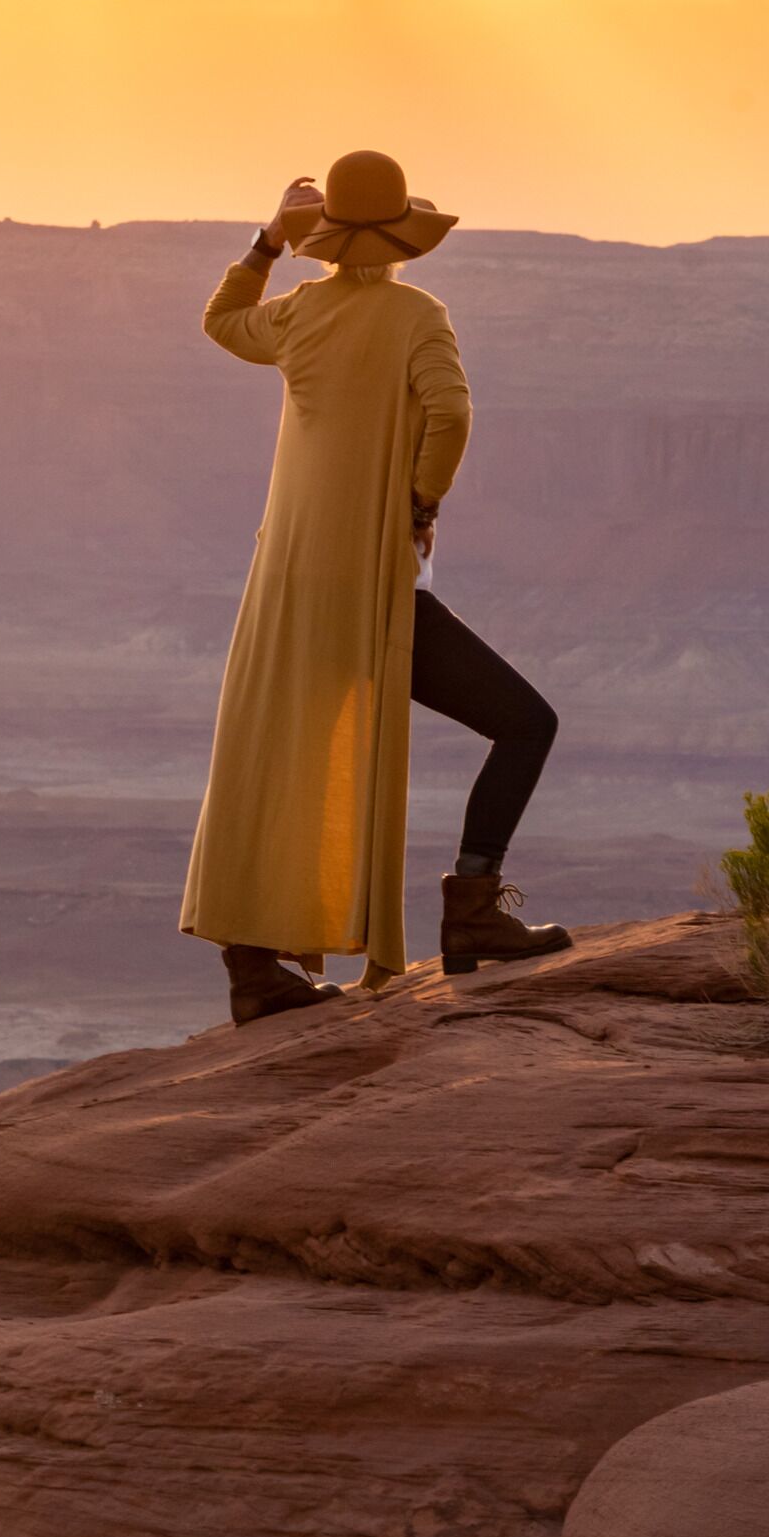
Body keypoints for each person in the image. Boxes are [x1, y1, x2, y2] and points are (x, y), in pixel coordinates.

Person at [180, 149, 568, 1021]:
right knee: (525, 722)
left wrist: (266, 239)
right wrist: (420, 501)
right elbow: (453, 411)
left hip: (290, 580)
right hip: (374, 585)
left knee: (282, 755)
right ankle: (473, 910)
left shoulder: (297, 313)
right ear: (401, 237)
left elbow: (220, 319)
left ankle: (253, 972)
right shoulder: (416, 313)